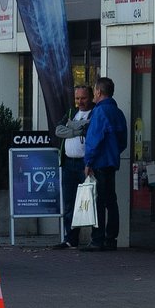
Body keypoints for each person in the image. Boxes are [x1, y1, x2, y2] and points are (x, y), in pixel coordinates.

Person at [82, 77, 128, 252]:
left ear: (99, 92)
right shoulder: (118, 113)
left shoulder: (100, 112)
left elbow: (94, 139)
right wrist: (114, 153)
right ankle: (111, 239)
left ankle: (97, 239)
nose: (94, 94)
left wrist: (89, 162)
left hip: (99, 163)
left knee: (98, 202)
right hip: (112, 162)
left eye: (94, 91)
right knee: (111, 201)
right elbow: (123, 141)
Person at [53, 85, 93, 249]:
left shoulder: (95, 113)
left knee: (90, 202)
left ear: (90, 97)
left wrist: (72, 127)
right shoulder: (71, 112)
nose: (80, 102)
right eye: (77, 98)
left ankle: (93, 238)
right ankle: (71, 239)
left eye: (83, 98)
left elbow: (89, 130)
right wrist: (77, 130)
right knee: (69, 203)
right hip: (68, 163)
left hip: (85, 164)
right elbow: (58, 130)